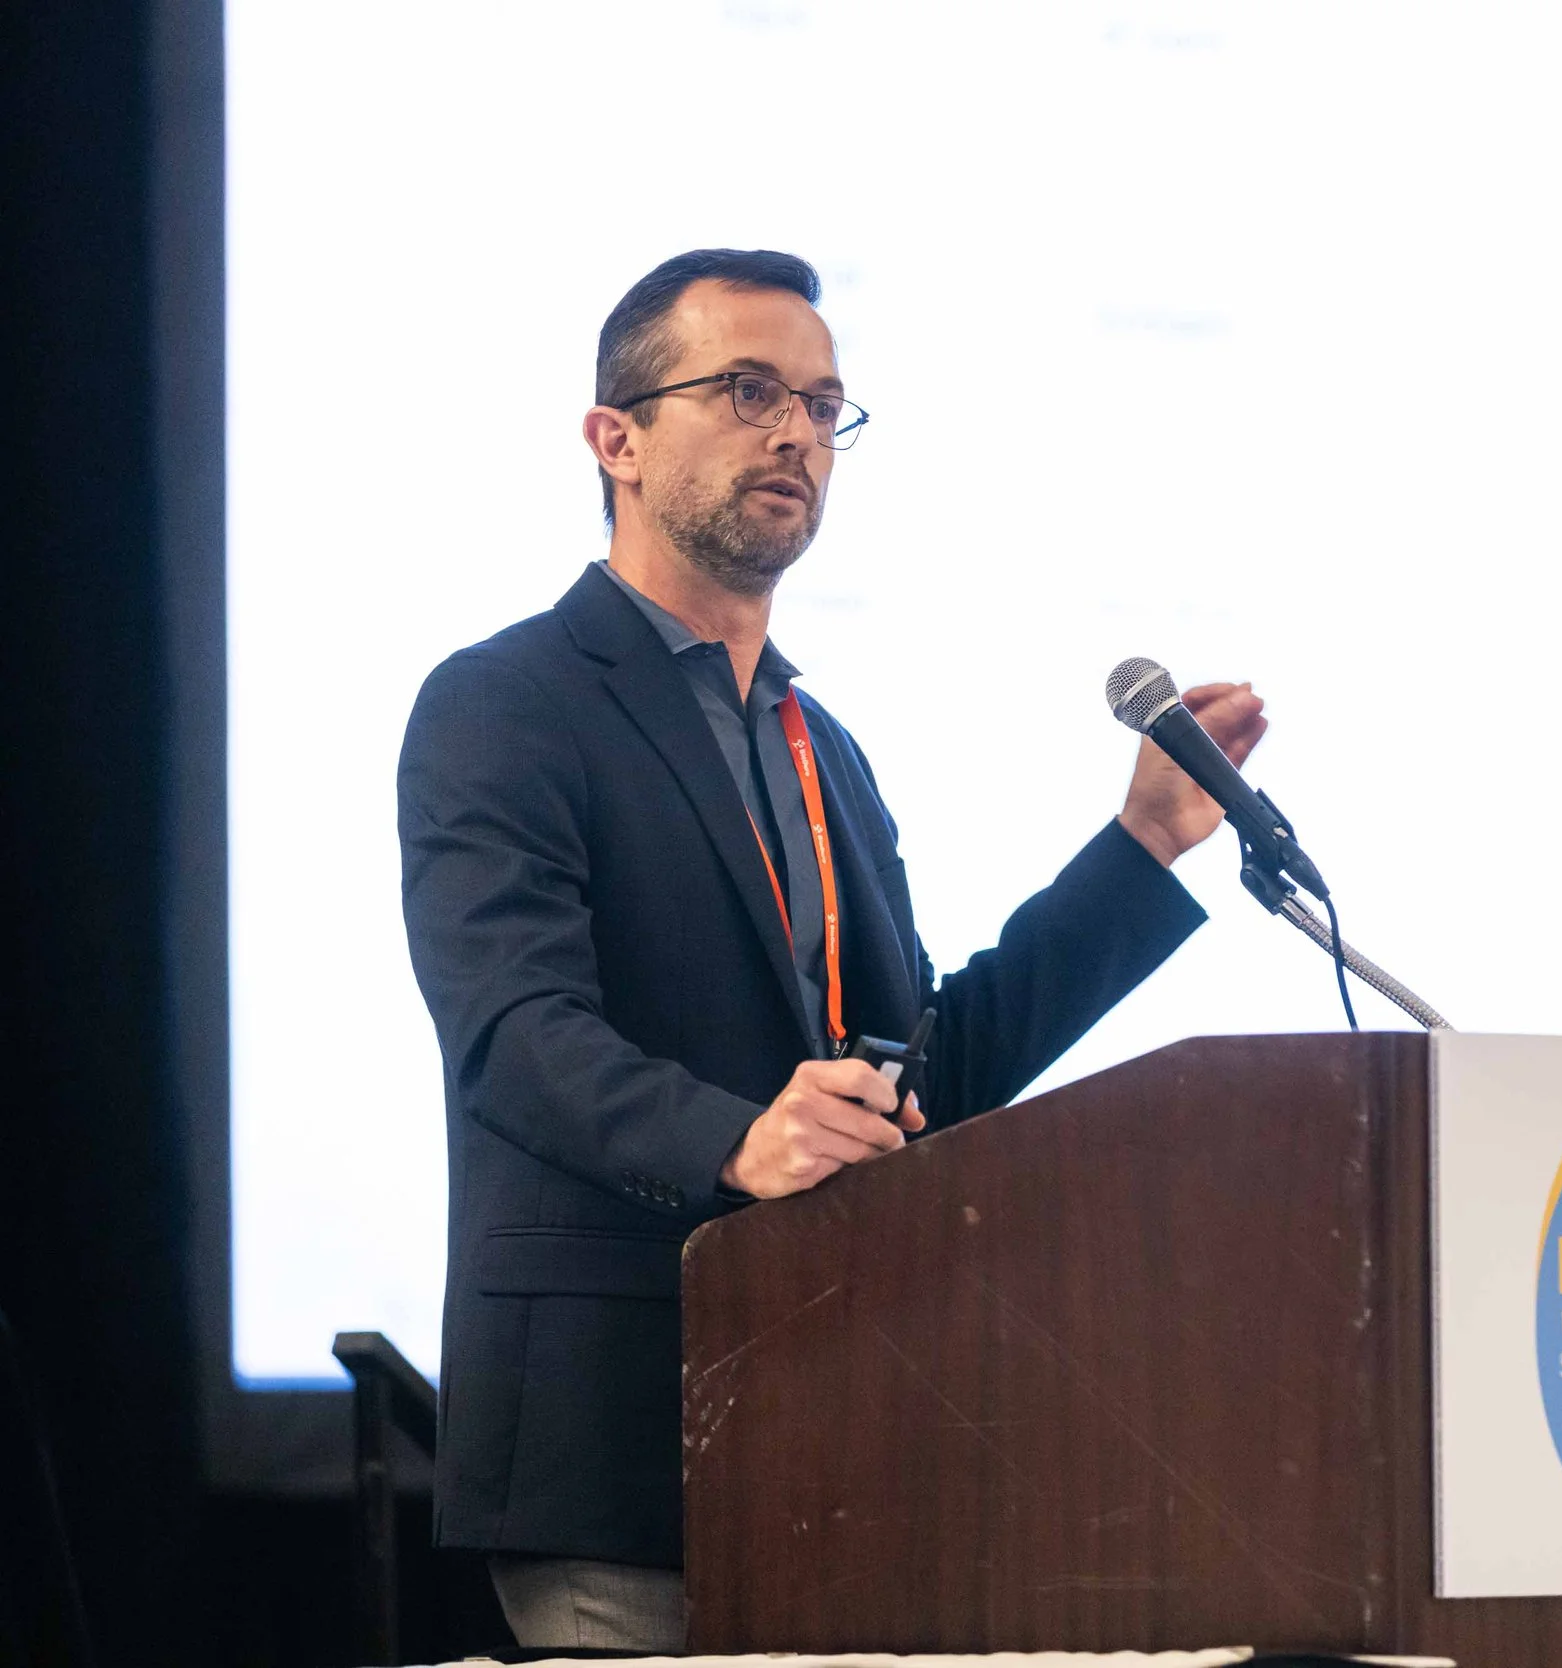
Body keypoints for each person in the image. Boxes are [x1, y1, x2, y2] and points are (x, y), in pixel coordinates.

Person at [396, 248, 1265, 1653]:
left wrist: (1144, 849)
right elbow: (513, 1037)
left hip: (844, 1437)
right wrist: (742, 1139)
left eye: (821, 404)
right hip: (619, 1451)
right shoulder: (506, 706)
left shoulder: (822, 751)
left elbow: (922, 1079)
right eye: (747, 391)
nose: (796, 431)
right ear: (614, 439)